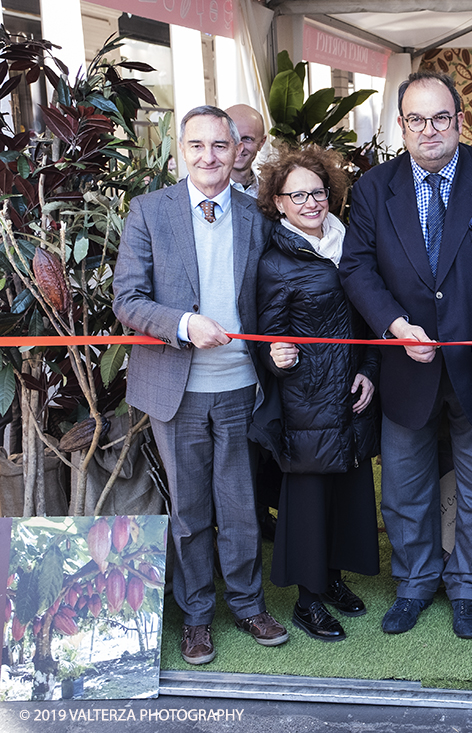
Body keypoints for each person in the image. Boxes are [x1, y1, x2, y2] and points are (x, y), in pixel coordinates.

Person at [339, 71, 472, 640]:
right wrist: (393, 325)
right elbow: (356, 267)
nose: (429, 129)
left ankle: (468, 587)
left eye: (441, 118)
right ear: (401, 125)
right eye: (416, 119)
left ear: (460, 121)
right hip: (404, 364)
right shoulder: (372, 188)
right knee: (405, 489)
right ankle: (412, 585)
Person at [113, 105, 287, 665]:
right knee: (190, 510)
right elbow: (127, 300)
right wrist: (185, 326)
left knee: (240, 506)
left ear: (238, 150)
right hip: (175, 389)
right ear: (179, 151)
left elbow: (276, 289)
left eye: (220, 145)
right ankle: (195, 616)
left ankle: (248, 603)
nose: (208, 157)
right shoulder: (149, 211)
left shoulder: (256, 213)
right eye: (196, 146)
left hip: (239, 386)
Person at [250, 145, 381, 643]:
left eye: (318, 191)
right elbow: (267, 335)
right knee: (307, 499)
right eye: (297, 195)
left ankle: (332, 581)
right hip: (305, 399)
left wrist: (370, 370)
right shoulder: (276, 263)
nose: (311, 202)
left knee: (347, 490)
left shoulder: (350, 245)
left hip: (350, 392)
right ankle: (307, 602)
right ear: (278, 203)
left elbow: (368, 322)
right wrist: (273, 357)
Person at [226, 104, 267, 198]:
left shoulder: (271, 192)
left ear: (261, 143)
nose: (239, 147)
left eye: (247, 139)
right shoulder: (207, 193)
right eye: (232, 138)